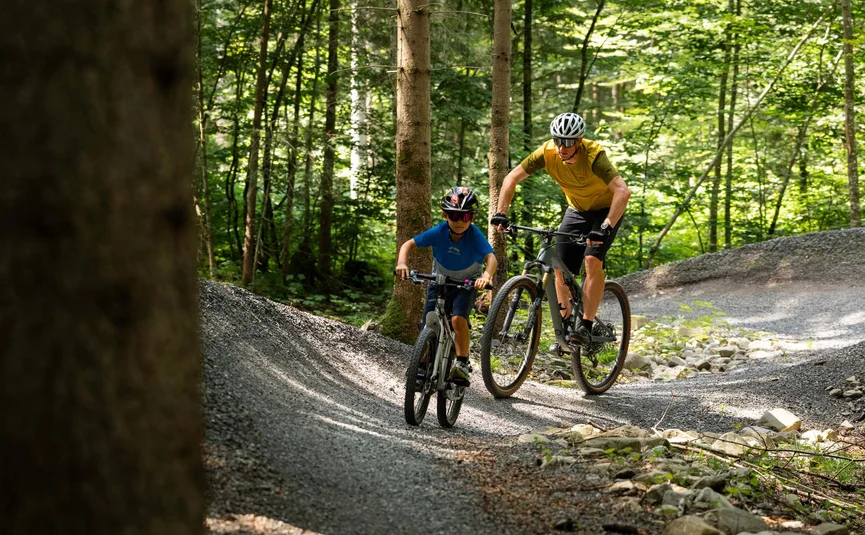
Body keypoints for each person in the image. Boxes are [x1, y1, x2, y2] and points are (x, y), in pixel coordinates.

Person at [491, 112, 631, 348]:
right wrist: (501, 213)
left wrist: (605, 227)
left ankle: (585, 327)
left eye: (567, 142)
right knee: (558, 268)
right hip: (576, 210)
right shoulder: (547, 153)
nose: (561, 147)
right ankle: (565, 329)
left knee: (591, 261)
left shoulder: (595, 155)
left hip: (605, 211)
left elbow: (622, 191)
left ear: (579, 140)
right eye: (557, 140)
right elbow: (512, 177)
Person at [396, 187, 497, 386]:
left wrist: (486, 276)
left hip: (466, 283)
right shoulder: (439, 231)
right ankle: (422, 366)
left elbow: (491, 257)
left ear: (472, 218)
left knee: (458, 319)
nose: (460, 221)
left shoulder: (474, 235)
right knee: (428, 322)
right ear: (445, 215)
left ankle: (462, 362)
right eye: (454, 215)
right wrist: (402, 263)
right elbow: (408, 244)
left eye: (466, 216)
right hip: (439, 280)